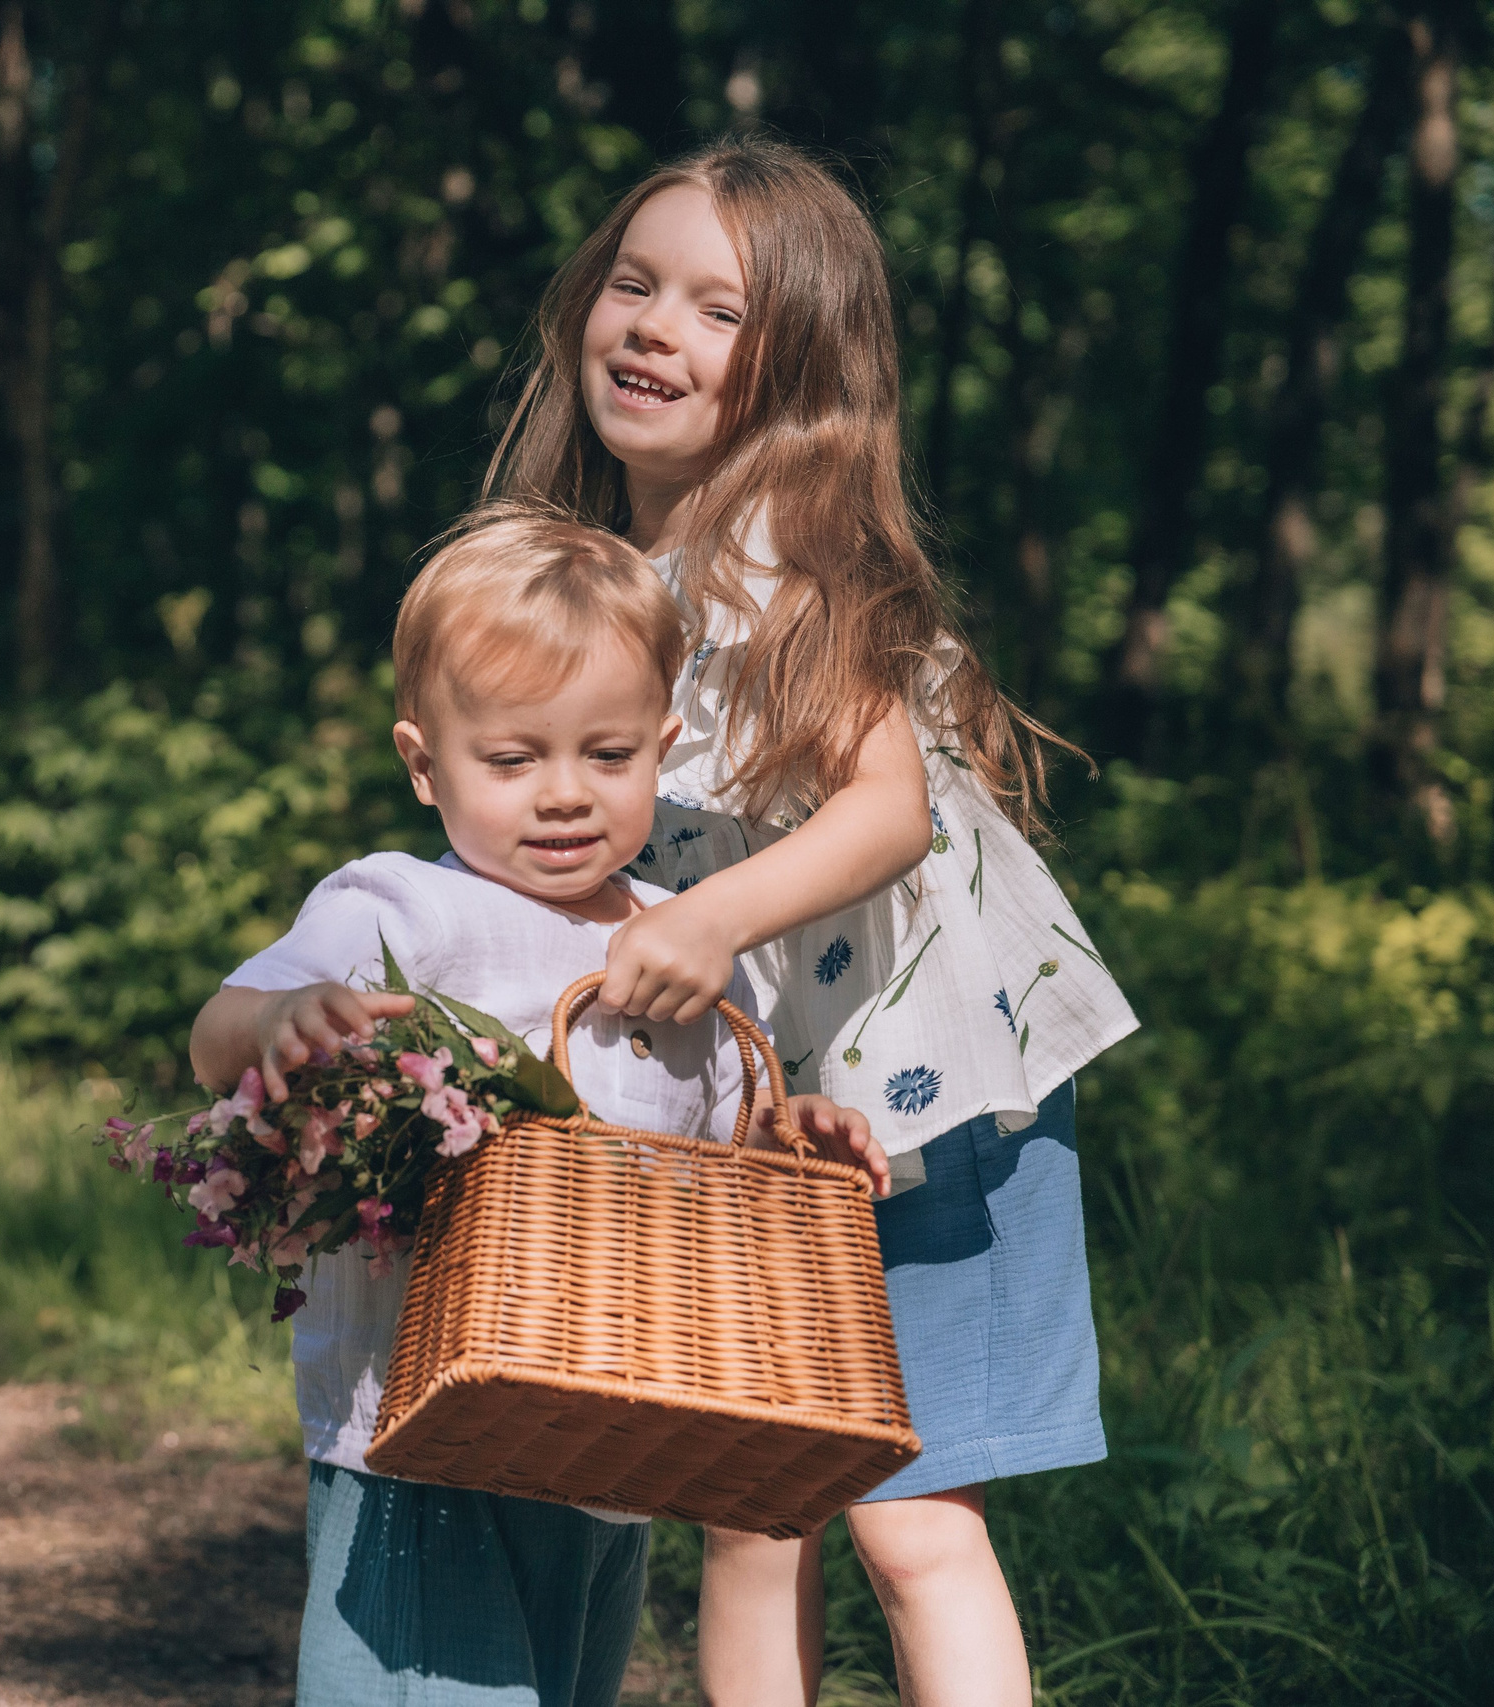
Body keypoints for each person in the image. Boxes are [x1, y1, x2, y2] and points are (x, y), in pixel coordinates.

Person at [481, 136, 1141, 1707]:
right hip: (789, 1101)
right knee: (747, 1498)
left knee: (913, 1520)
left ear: (799, 372)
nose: (655, 328)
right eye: (635, 285)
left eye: (719, 310)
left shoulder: (775, 561)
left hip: (937, 1082)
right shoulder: (616, 574)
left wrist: (707, 921)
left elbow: (888, 806)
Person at [189, 510, 889, 1707]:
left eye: (606, 756)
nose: (562, 796)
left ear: (662, 748)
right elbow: (215, 1033)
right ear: (423, 763)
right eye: (511, 761)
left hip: (609, 1433)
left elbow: (716, 1148)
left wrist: (791, 1136)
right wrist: (283, 1024)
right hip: (421, 1429)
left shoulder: (676, 935)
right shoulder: (405, 910)